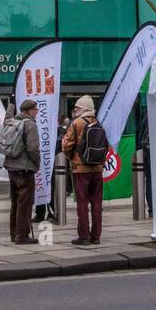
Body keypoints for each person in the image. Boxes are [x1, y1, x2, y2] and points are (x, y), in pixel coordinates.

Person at [61, 96, 105, 245]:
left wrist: (71, 157)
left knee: (82, 203)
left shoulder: (77, 123)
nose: (75, 111)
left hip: (81, 169)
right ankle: (96, 236)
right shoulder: (98, 122)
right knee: (97, 204)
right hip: (97, 168)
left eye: (77, 108)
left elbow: (67, 144)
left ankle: (84, 236)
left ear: (84, 109)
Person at [1, 99, 41, 245]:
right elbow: (33, 148)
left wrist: (11, 104)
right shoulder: (30, 124)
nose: (37, 112)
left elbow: (6, 117)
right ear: (30, 110)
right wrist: (37, 164)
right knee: (25, 203)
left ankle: (14, 233)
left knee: (15, 202)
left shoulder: (11, 122)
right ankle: (22, 235)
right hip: (25, 168)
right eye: (36, 110)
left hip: (11, 167)